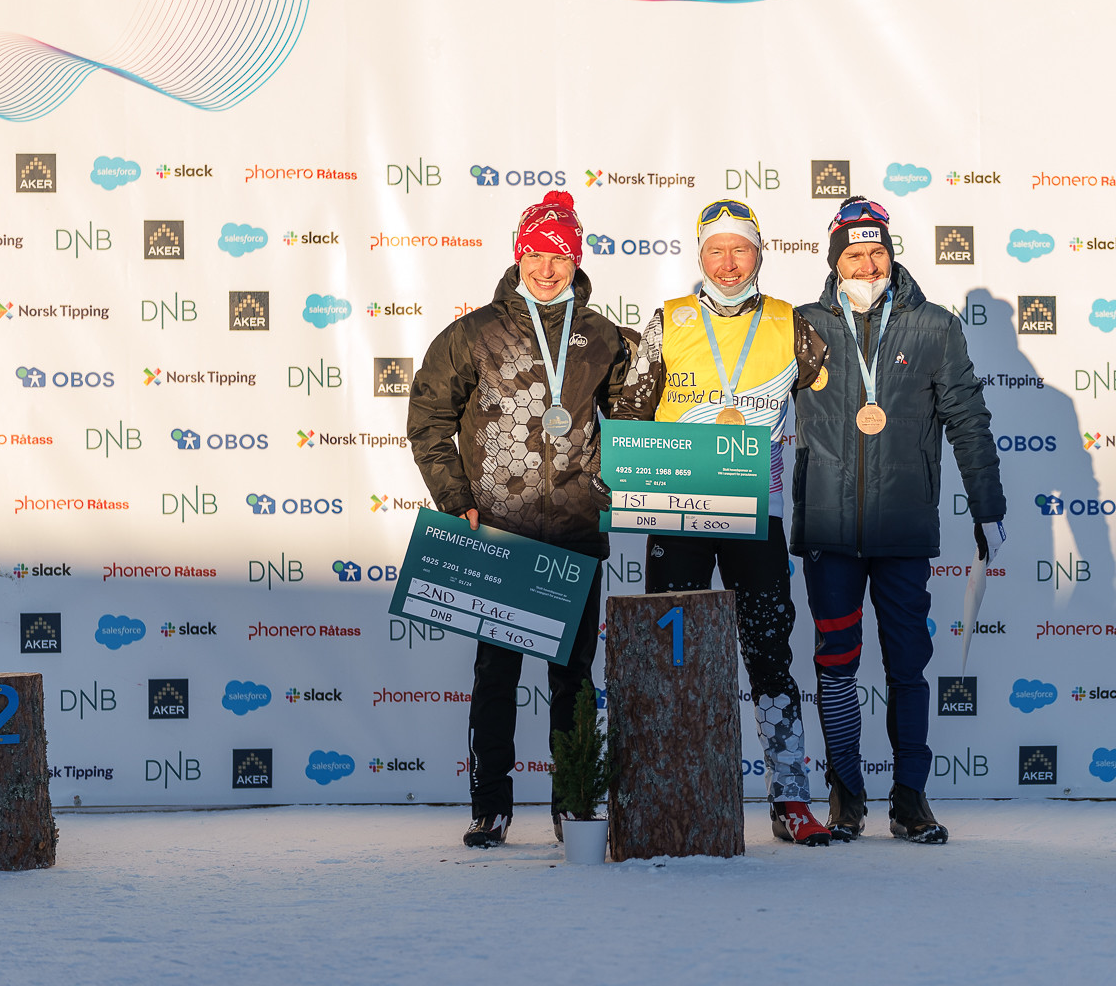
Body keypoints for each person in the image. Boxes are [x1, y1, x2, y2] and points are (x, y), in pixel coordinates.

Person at [407, 191, 629, 848]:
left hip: (575, 533)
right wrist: (457, 501)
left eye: (559, 255)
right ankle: (490, 807)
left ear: (575, 260)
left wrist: (623, 478)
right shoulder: (474, 334)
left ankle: (574, 804)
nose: (547, 267)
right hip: (497, 534)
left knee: (572, 677)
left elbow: (635, 423)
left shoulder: (602, 337)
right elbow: (427, 422)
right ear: (518, 254)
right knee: (496, 676)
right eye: (537, 253)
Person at [613, 199, 833, 846]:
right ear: (700, 256)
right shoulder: (669, 321)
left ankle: (791, 800)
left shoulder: (794, 326)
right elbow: (630, 409)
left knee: (769, 653)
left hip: (754, 511)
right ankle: (669, 791)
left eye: (741, 249)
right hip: (678, 508)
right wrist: (630, 470)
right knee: (671, 655)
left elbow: (832, 406)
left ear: (760, 254)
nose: (729, 263)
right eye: (716, 250)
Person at [790, 195, 1007, 845]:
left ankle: (911, 798)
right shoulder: (801, 326)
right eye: (853, 254)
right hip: (829, 527)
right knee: (836, 663)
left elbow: (968, 421)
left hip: (905, 527)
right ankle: (848, 795)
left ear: (892, 256)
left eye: (877, 252)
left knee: (907, 663)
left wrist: (988, 507)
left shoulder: (934, 327)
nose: (867, 264)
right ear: (835, 262)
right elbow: (750, 405)